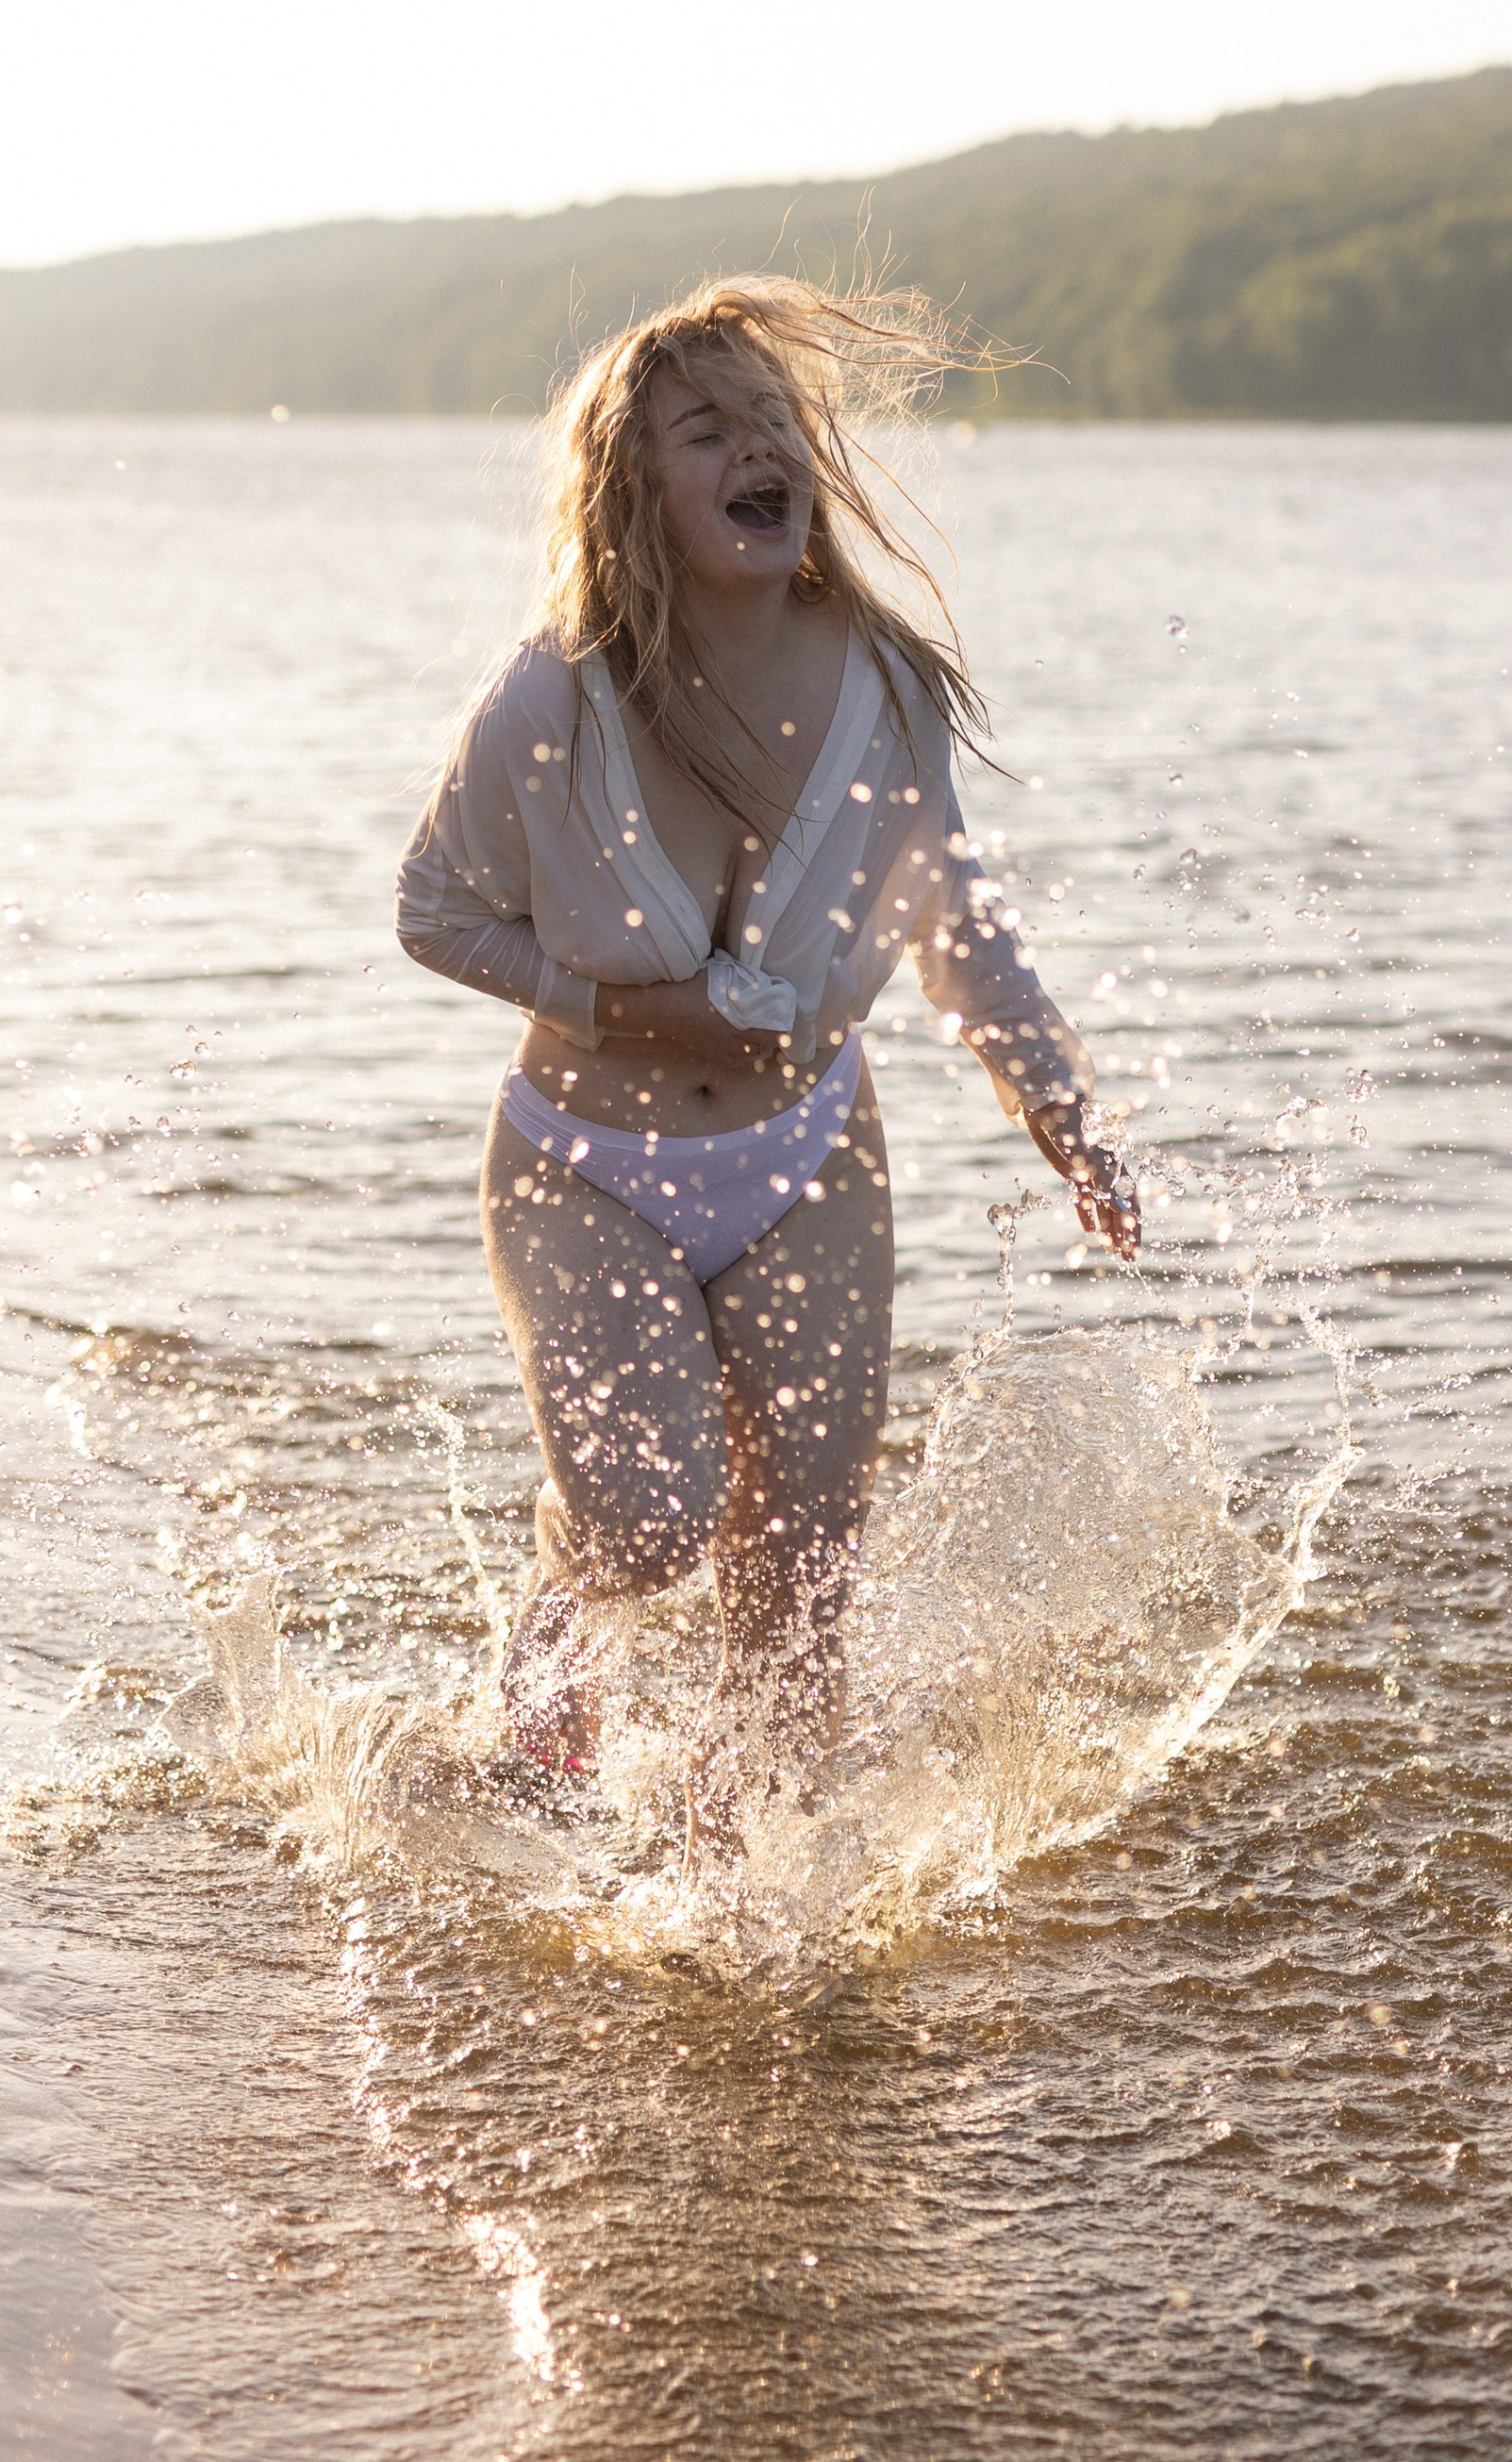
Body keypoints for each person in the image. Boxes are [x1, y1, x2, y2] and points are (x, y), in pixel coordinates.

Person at [395, 277, 1136, 1844]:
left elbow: (956, 924)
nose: (758, 451)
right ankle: (553, 1645)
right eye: (706, 431)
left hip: (808, 1159)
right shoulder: (556, 695)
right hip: (588, 1164)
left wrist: (1059, 1107)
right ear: (634, 491)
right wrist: (627, 1012)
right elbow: (434, 910)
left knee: (798, 1597)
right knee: (647, 1521)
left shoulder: (886, 685)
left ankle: (750, 1915)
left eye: (774, 421)